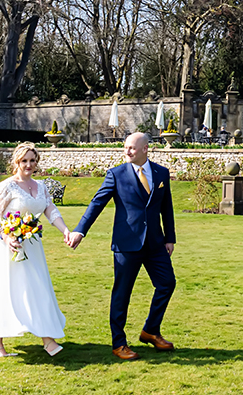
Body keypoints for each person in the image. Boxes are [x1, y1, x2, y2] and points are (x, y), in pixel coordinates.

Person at [68, 132, 176, 361]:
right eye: (125, 147)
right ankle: (119, 344)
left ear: (146, 149)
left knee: (167, 284)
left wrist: (170, 237)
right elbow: (97, 203)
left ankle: (150, 331)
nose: (126, 151)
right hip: (126, 245)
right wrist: (80, 230)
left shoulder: (161, 173)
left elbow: (166, 207)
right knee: (122, 294)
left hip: (156, 244)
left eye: (132, 148)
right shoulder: (116, 175)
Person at [0, 142, 72, 357]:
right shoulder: (6, 186)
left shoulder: (41, 186)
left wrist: (65, 230)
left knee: (38, 289)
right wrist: (6, 238)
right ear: (16, 162)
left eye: (32, 160)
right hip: (8, 247)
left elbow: (50, 210)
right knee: (8, 292)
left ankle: (47, 339)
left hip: (33, 246)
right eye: (24, 160)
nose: (29, 164)